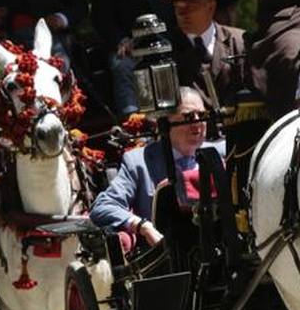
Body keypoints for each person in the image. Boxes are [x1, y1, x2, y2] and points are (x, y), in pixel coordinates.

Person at [90, 86, 224, 250]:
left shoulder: (221, 154)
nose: (197, 123)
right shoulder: (138, 162)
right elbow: (103, 207)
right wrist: (143, 227)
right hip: (166, 256)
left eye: (201, 115)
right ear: (165, 123)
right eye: (188, 117)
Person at [161, 0, 249, 109]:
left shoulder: (240, 42)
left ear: (210, 7)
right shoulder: (166, 53)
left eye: (191, 7)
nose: (183, 15)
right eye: (178, 9)